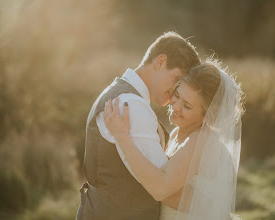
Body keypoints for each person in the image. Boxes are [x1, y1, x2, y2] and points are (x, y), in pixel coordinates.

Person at [76, 31, 200, 220]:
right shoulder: (130, 105)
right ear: (161, 61)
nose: (177, 90)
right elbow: (164, 187)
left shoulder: (122, 95)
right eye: (177, 79)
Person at [103, 62, 244, 219]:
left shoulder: (201, 141)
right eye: (177, 95)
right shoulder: (177, 133)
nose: (176, 106)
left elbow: (160, 189)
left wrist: (122, 137)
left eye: (187, 106)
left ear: (207, 117)